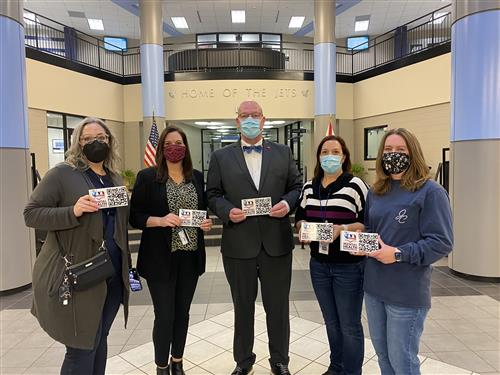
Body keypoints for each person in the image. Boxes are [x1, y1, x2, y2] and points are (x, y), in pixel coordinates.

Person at [24, 117, 130, 375]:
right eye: (88, 139)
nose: (96, 142)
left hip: (113, 273)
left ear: (110, 141)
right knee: (81, 346)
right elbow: (31, 214)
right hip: (82, 275)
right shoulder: (63, 174)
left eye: (101, 138)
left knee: (99, 338)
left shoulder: (114, 178)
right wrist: (73, 211)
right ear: (78, 143)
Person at [206, 100, 302, 375]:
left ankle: (280, 361)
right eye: (244, 115)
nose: (250, 119)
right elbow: (212, 194)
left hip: (277, 244)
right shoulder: (221, 157)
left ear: (264, 120)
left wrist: (287, 204)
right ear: (237, 121)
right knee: (242, 307)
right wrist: (227, 210)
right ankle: (243, 360)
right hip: (239, 244)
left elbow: (296, 186)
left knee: (278, 307)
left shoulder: (283, 153)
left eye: (255, 115)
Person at [363, 128, 453, 375]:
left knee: (402, 360)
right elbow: (372, 230)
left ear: (413, 153)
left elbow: (442, 242)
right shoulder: (377, 191)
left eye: (400, 150)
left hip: (406, 291)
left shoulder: (430, 192)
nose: (393, 155)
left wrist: (398, 253)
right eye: (388, 150)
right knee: (383, 356)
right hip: (374, 288)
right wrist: (360, 244)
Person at [130, 125, 213, 375]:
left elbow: (202, 211)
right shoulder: (147, 177)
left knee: (183, 314)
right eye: (168, 144)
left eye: (178, 143)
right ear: (161, 148)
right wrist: (160, 220)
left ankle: (177, 361)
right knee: (164, 315)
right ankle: (161, 366)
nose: (173, 147)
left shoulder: (196, 176)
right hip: (159, 259)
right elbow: (134, 217)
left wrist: (205, 223)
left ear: (185, 147)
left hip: (190, 256)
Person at [295, 135, 368, 375]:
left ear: (344, 156)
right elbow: (300, 218)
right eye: (324, 151)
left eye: (335, 151)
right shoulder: (309, 186)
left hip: (349, 266)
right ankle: (336, 367)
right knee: (331, 322)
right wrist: (303, 229)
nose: (329, 156)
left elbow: (367, 222)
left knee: (349, 325)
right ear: (318, 157)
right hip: (319, 265)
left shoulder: (355, 184)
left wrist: (342, 229)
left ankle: (352, 371)